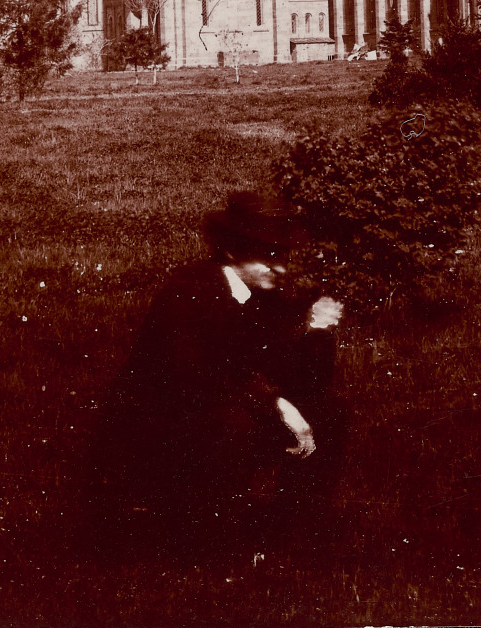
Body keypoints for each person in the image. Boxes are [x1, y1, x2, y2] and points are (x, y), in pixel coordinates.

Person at [90, 191, 347, 563]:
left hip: (220, 411)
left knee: (329, 411)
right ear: (230, 251)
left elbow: (303, 380)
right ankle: (213, 546)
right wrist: (275, 404)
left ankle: (292, 535)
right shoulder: (189, 291)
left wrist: (314, 332)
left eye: (283, 256)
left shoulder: (267, 296)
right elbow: (193, 378)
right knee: (233, 423)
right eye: (268, 257)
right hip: (154, 429)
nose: (280, 268)